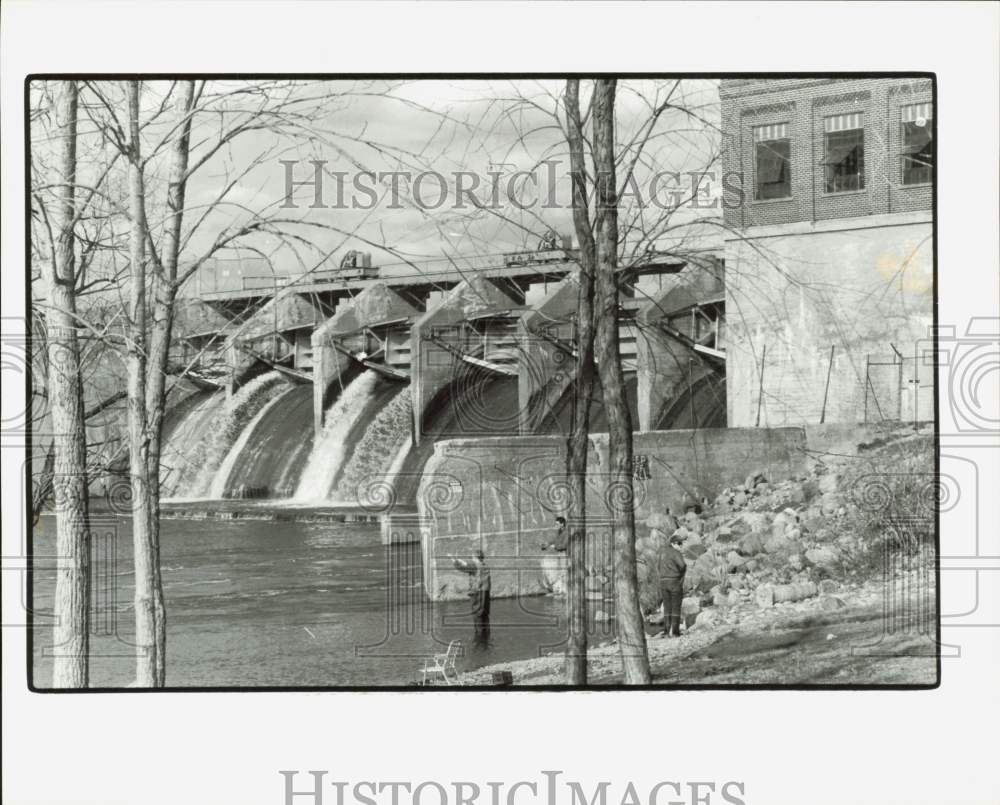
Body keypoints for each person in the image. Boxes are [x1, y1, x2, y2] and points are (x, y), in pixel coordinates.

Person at [451, 549, 491, 635]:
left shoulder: (475, 565)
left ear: (476, 557)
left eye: (472, 557)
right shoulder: (485, 566)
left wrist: (455, 561)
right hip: (486, 593)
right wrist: (459, 561)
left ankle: (480, 640)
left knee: (478, 615)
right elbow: (467, 565)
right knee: (485, 615)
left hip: (477, 593)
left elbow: (463, 566)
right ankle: (486, 637)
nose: (472, 559)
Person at [659, 533, 687, 638]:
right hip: (674, 581)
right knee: (675, 606)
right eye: (679, 543)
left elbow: (658, 567)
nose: (681, 546)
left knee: (667, 606)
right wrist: (680, 573)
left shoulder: (662, 553)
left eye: (681, 543)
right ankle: (675, 632)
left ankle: (666, 632)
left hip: (663, 582)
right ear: (673, 543)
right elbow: (682, 565)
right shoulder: (676, 553)